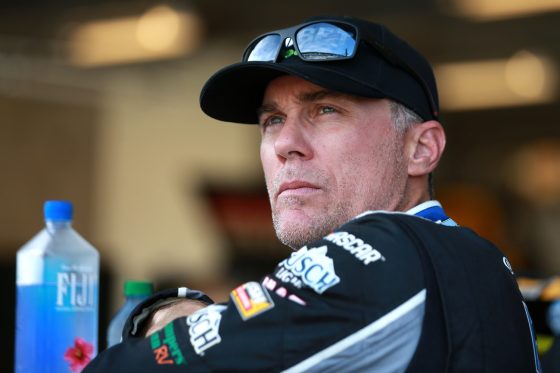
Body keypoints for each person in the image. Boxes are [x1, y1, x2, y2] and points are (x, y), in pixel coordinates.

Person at [84, 15, 541, 372]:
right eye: (272, 120)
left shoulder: (391, 247)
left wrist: (151, 322)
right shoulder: (465, 260)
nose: (285, 145)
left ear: (421, 149)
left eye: (325, 110)